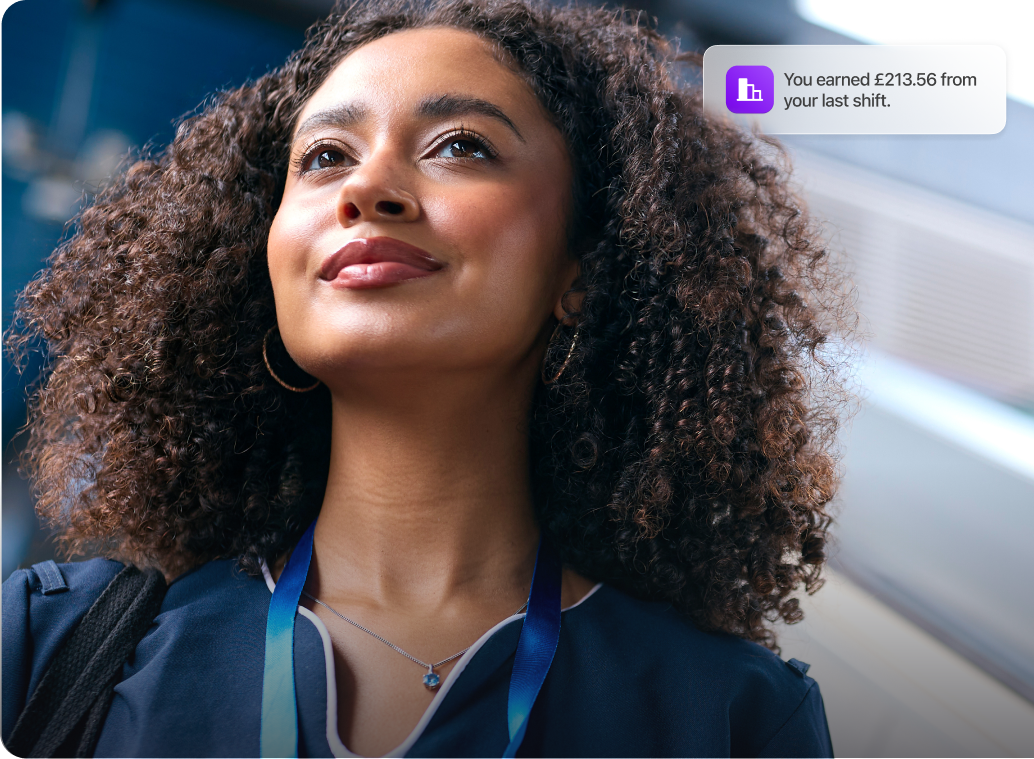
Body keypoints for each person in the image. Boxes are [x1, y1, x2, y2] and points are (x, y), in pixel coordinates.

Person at [2, 0, 849, 756]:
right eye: (326, 155)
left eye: (461, 146)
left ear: (582, 270)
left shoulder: (732, 718)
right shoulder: (51, 641)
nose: (367, 187)